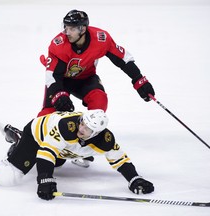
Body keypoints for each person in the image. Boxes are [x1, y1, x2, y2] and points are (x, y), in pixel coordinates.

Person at [0, 110, 154, 201]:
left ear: (96, 134)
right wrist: (45, 179)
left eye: (87, 129)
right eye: (82, 122)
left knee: (61, 164)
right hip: (38, 135)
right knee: (11, 178)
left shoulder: (105, 140)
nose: (81, 128)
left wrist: (135, 178)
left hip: (63, 148)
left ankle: (16, 138)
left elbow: (120, 159)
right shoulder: (67, 127)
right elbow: (46, 153)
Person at [37, 9, 155, 167]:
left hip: (85, 79)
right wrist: (60, 94)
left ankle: (84, 142)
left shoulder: (101, 38)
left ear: (83, 29)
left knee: (99, 101)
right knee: (47, 115)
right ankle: (34, 142)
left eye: (71, 28)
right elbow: (52, 76)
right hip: (61, 80)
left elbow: (123, 58)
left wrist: (139, 79)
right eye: (65, 27)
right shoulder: (58, 44)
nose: (67, 32)